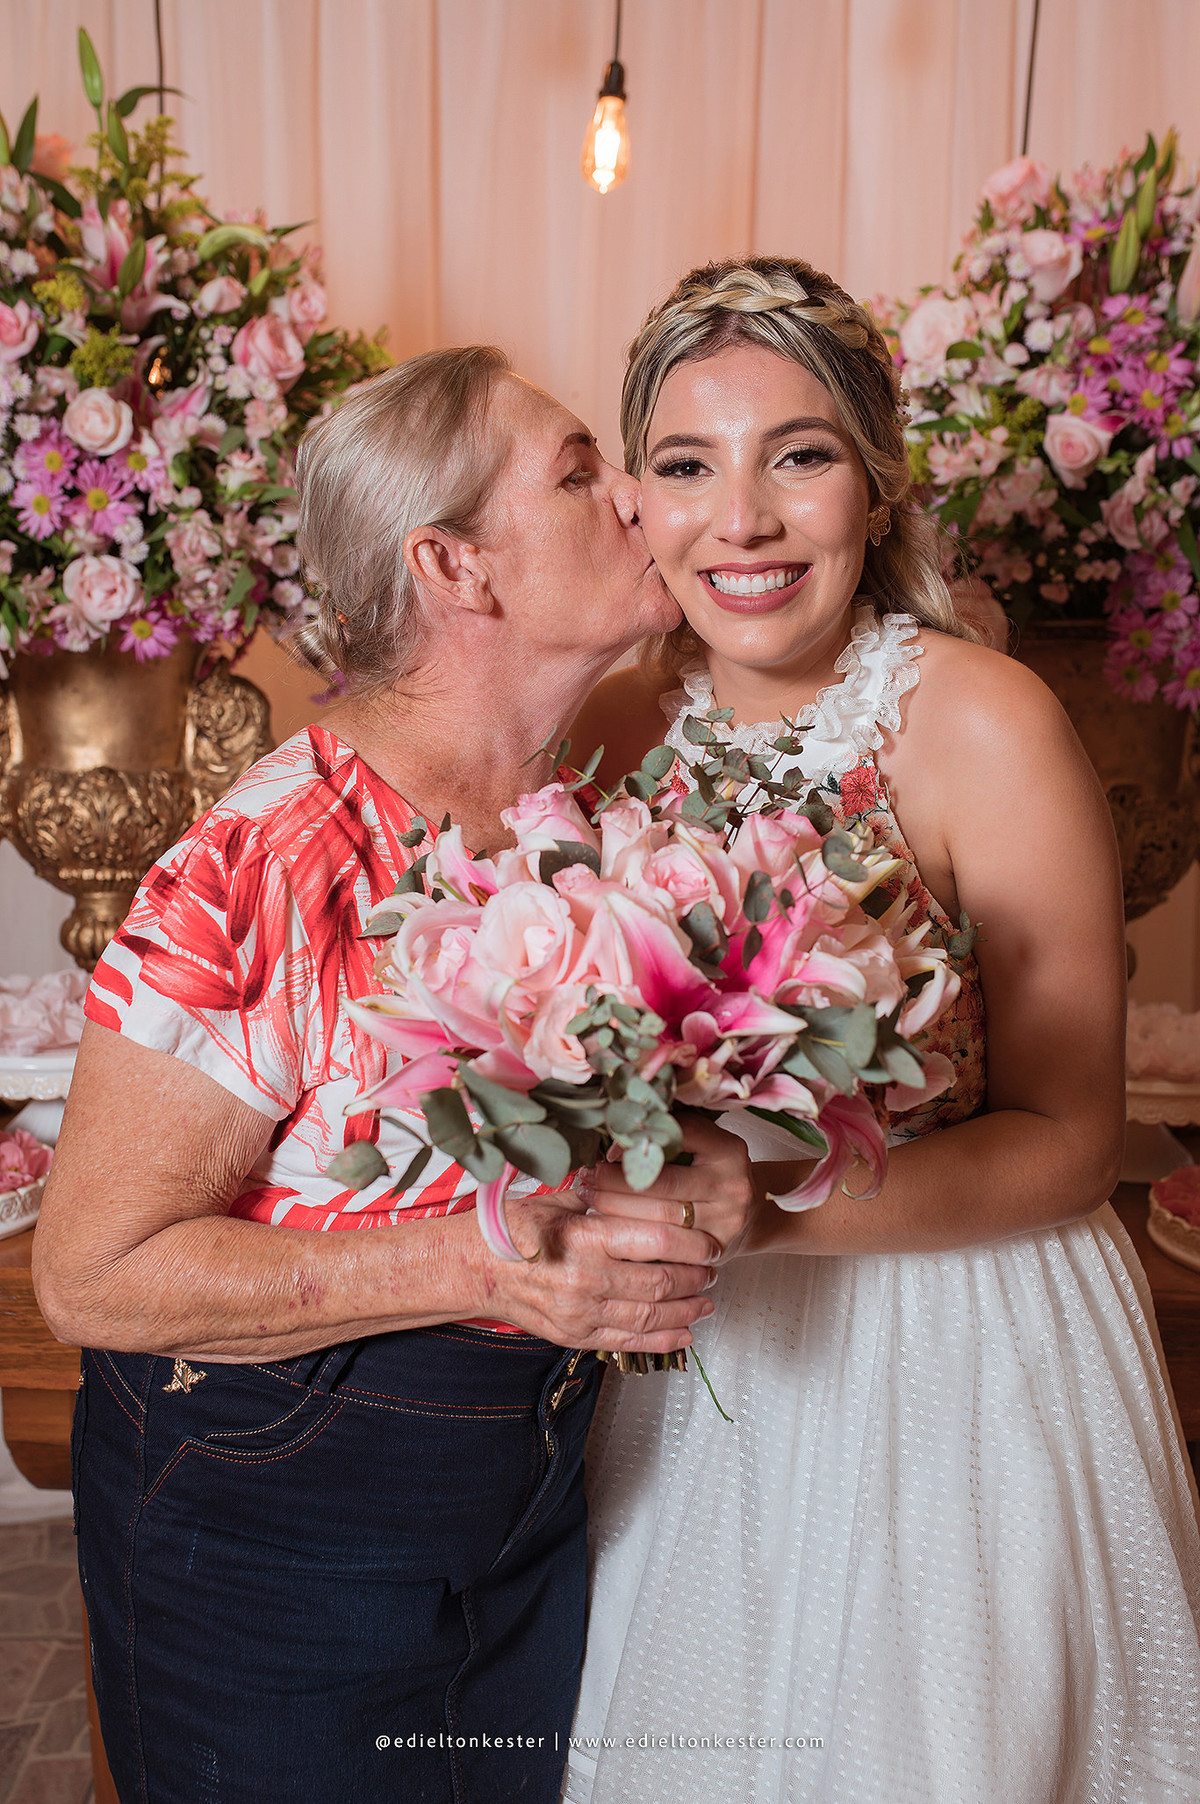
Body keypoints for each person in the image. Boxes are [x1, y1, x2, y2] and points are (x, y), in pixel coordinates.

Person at [31, 345, 758, 1804]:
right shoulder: (266, 863)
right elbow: (91, 1275)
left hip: (522, 1497)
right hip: (272, 1523)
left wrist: (702, 1164)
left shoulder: (583, 813)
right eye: (579, 473)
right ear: (454, 566)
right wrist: (484, 1264)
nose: (640, 497)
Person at [562, 259, 1200, 1804]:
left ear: (876, 479)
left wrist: (778, 1206)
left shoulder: (986, 722)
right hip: (699, 1359)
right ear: (636, 500)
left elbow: (1074, 1142)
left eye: (798, 455)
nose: (744, 521)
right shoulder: (612, 731)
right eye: (688, 466)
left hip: (958, 1354)